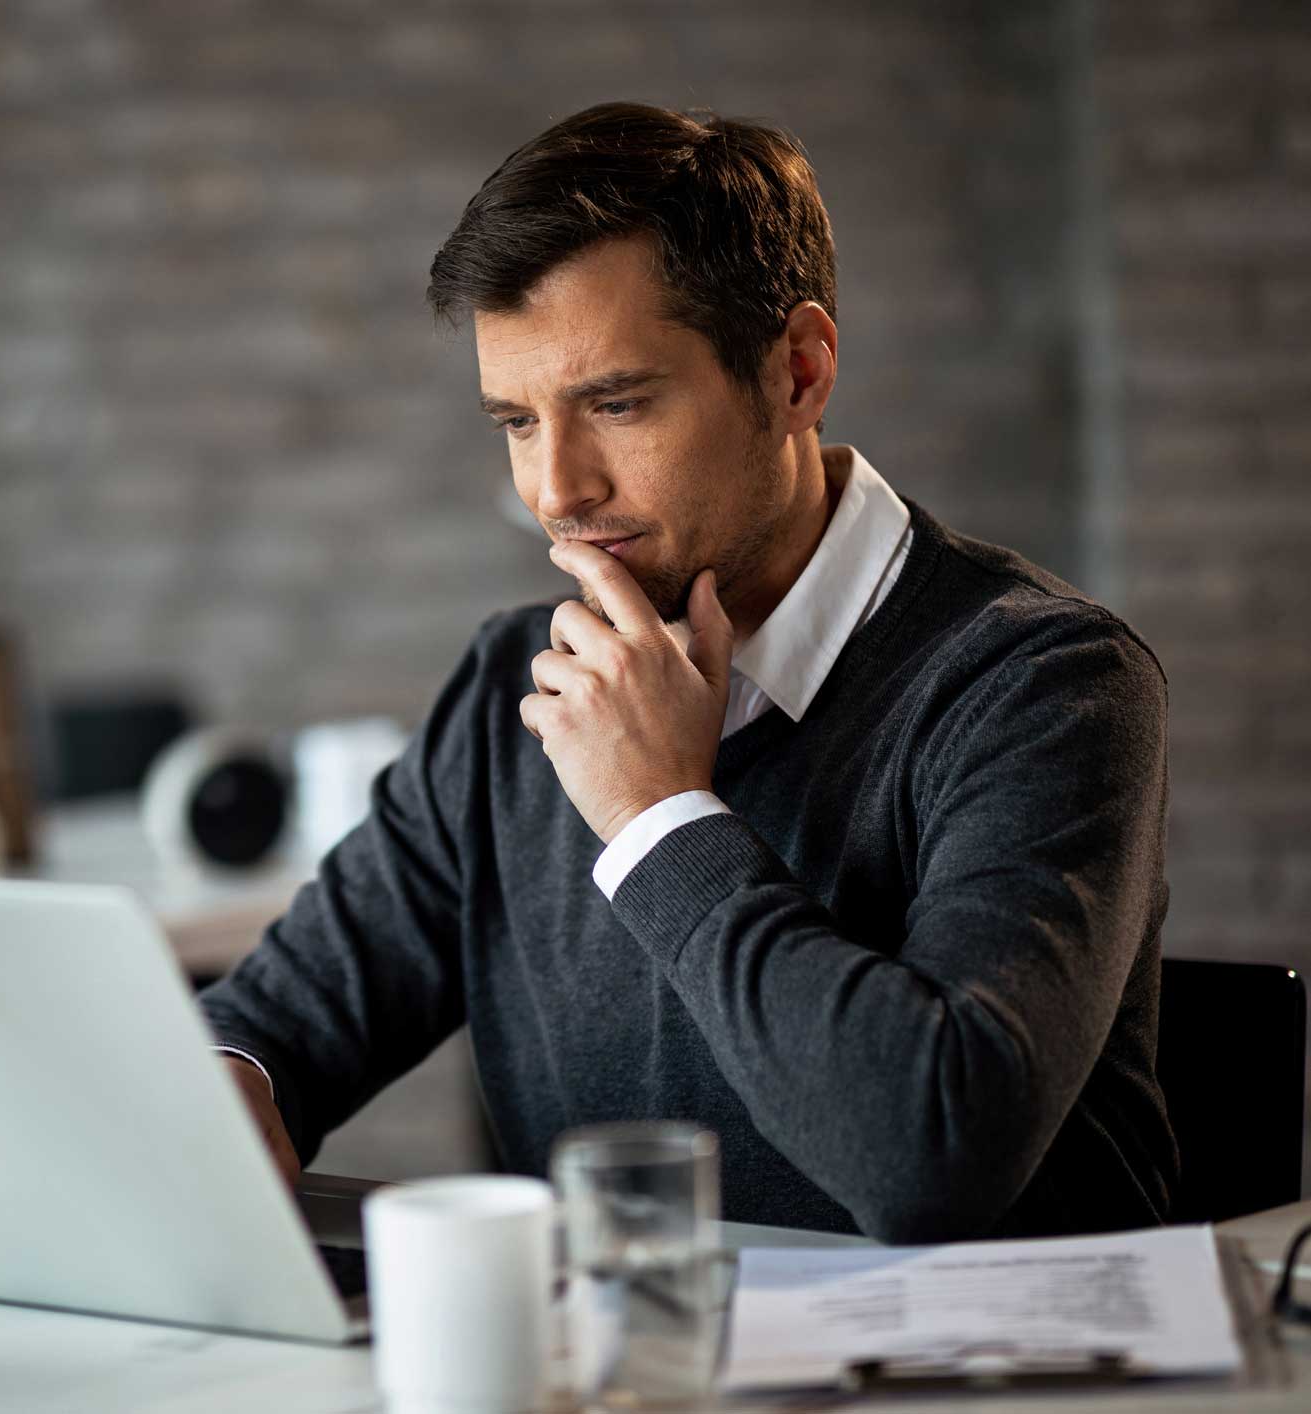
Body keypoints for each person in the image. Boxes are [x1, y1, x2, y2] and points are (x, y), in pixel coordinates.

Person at [198, 102, 1174, 1243]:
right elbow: (278, 1018)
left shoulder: (1045, 681)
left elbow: (930, 1154)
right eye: (517, 420)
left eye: (616, 403)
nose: (556, 489)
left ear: (800, 372)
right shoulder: (512, 687)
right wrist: (231, 1079)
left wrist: (657, 813)